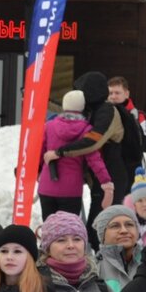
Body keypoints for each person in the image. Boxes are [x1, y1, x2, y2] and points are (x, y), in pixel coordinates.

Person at [53, 71, 132, 225]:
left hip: (113, 177)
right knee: (96, 226)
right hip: (100, 177)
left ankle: (113, 250)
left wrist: (60, 152)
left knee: (102, 226)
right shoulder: (92, 110)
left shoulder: (107, 111)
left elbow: (93, 141)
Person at [38, 90, 114, 219]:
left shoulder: (49, 126)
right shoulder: (86, 130)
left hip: (46, 186)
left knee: (50, 231)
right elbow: (95, 160)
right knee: (69, 231)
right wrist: (106, 183)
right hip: (70, 190)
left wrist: (36, 173)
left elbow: (39, 154)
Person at [107, 76, 146, 155]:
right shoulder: (101, 114)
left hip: (131, 164)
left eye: (117, 93)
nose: (113, 97)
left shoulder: (140, 116)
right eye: (110, 93)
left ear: (126, 94)